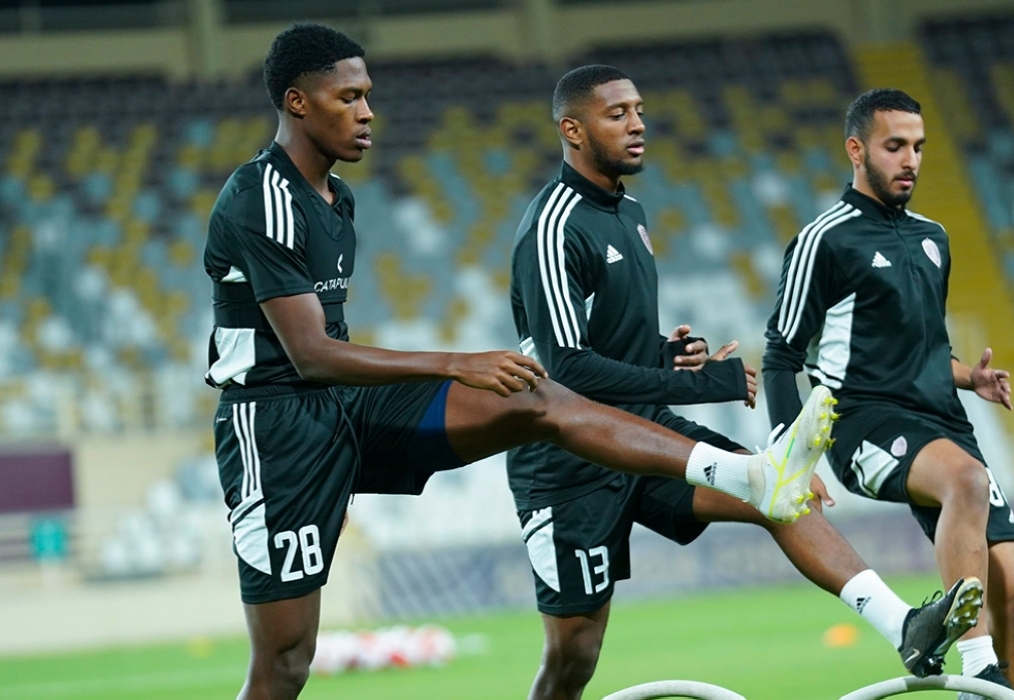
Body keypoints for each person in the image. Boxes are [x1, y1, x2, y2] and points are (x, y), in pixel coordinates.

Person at [204, 25, 831, 700]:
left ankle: (744, 473)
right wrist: (456, 364)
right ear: (298, 103)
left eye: (368, 96)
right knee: (286, 665)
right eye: (348, 97)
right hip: (278, 430)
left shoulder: (338, 198)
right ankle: (747, 474)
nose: (367, 113)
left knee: (539, 395)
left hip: (341, 413)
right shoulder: (259, 197)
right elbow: (311, 353)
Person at [507, 66, 984, 700]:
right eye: (617, 113)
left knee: (778, 493)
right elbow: (565, 369)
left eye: (639, 109)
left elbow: (608, 343)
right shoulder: (553, 223)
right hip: (566, 459)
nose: (638, 123)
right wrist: (711, 384)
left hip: (645, 433)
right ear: (572, 129)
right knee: (575, 656)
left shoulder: (631, 213)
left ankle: (905, 625)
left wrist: (668, 355)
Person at [760, 88, 1014, 697]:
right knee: (963, 481)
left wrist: (970, 377)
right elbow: (780, 356)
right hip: (865, 423)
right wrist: (790, 459)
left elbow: (923, 346)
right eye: (894, 147)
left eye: (918, 147)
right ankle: (976, 667)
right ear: (856, 150)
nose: (910, 160)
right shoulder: (823, 240)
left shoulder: (934, 236)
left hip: (944, 422)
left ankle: (991, 683)